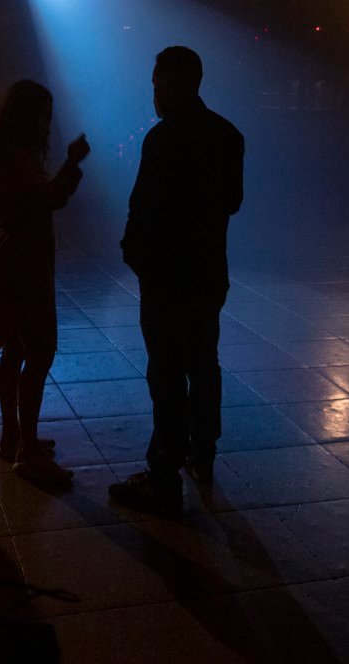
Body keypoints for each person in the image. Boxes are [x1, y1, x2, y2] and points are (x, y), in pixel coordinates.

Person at [109, 46, 244, 515]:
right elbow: (232, 203)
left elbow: (143, 206)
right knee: (203, 363)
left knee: (166, 371)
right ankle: (202, 454)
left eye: (158, 83)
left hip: (166, 276)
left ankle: (164, 475)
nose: (154, 92)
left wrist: (135, 254)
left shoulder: (162, 139)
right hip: (207, 272)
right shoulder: (228, 135)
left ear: (176, 83)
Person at [0, 80, 90, 484]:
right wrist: (72, 164)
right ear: (29, 117)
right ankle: (27, 452)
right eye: (43, 116)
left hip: (11, 257)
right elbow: (49, 198)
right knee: (39, 351)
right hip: (24, 262)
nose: (47, 124)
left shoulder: (6, 152)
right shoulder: (17, 158)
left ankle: (14, 437)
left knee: (16, 350)